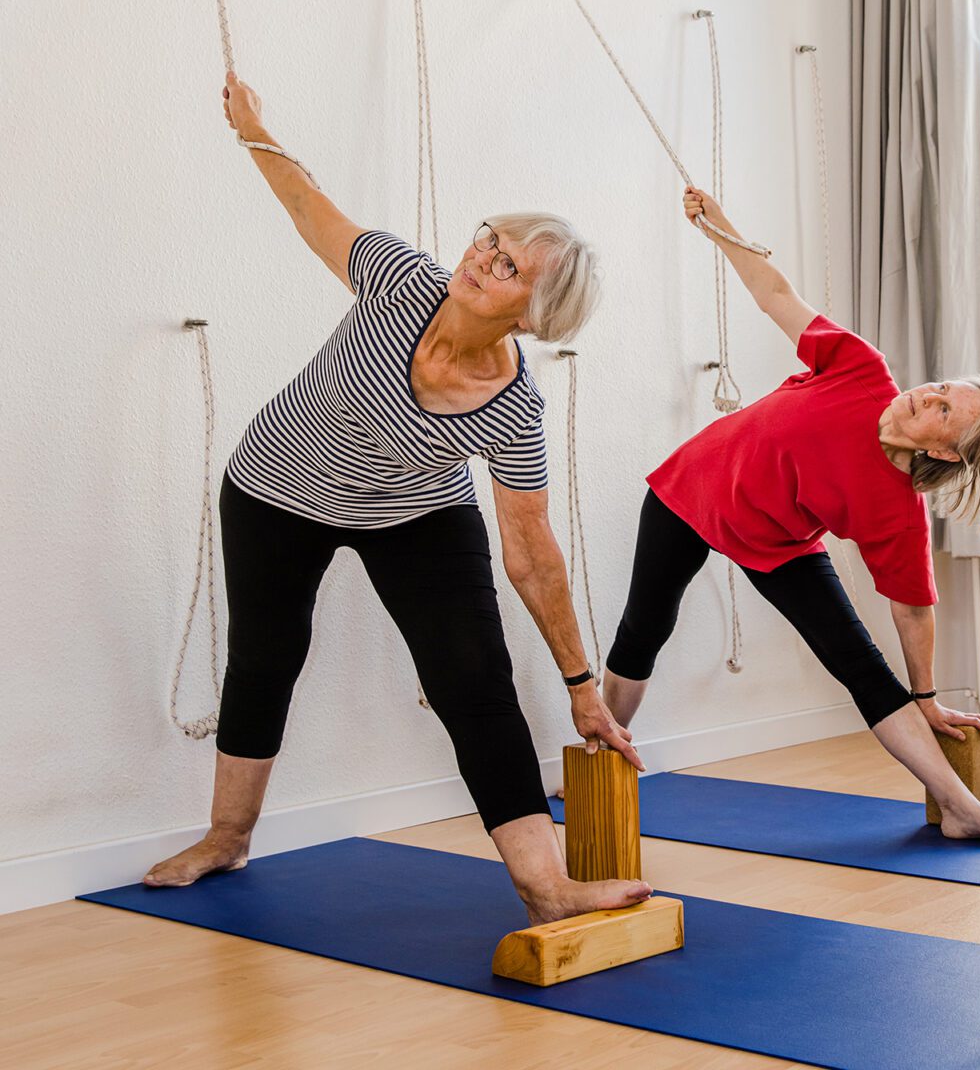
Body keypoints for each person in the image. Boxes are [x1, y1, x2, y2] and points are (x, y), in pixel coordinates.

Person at [145, 73, 653, 922]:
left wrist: (579, 683)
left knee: (475, 680)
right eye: (488, 240)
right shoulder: (398, 279)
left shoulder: (514, 407)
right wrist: (253, 130)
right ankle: (226, 837)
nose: (478, 260)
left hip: (414, 511)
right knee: (265, 661)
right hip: (275, 487)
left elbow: (531, 555)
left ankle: (546, 886)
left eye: (507, 266)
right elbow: (310, 208)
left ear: (533, 315)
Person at [600, 186, 980, 849]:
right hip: (688, 491)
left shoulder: (899, 510)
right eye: (943, 388)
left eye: (945, 411)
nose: (931, 396)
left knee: (861, 667)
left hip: (774, 543)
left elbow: (913, 609)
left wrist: (925, 696)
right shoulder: (863, 370)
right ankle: (604, 758)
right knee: (644, 629)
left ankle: (960, 807)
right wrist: (720, 224)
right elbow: (776, 295)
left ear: (941, 449)